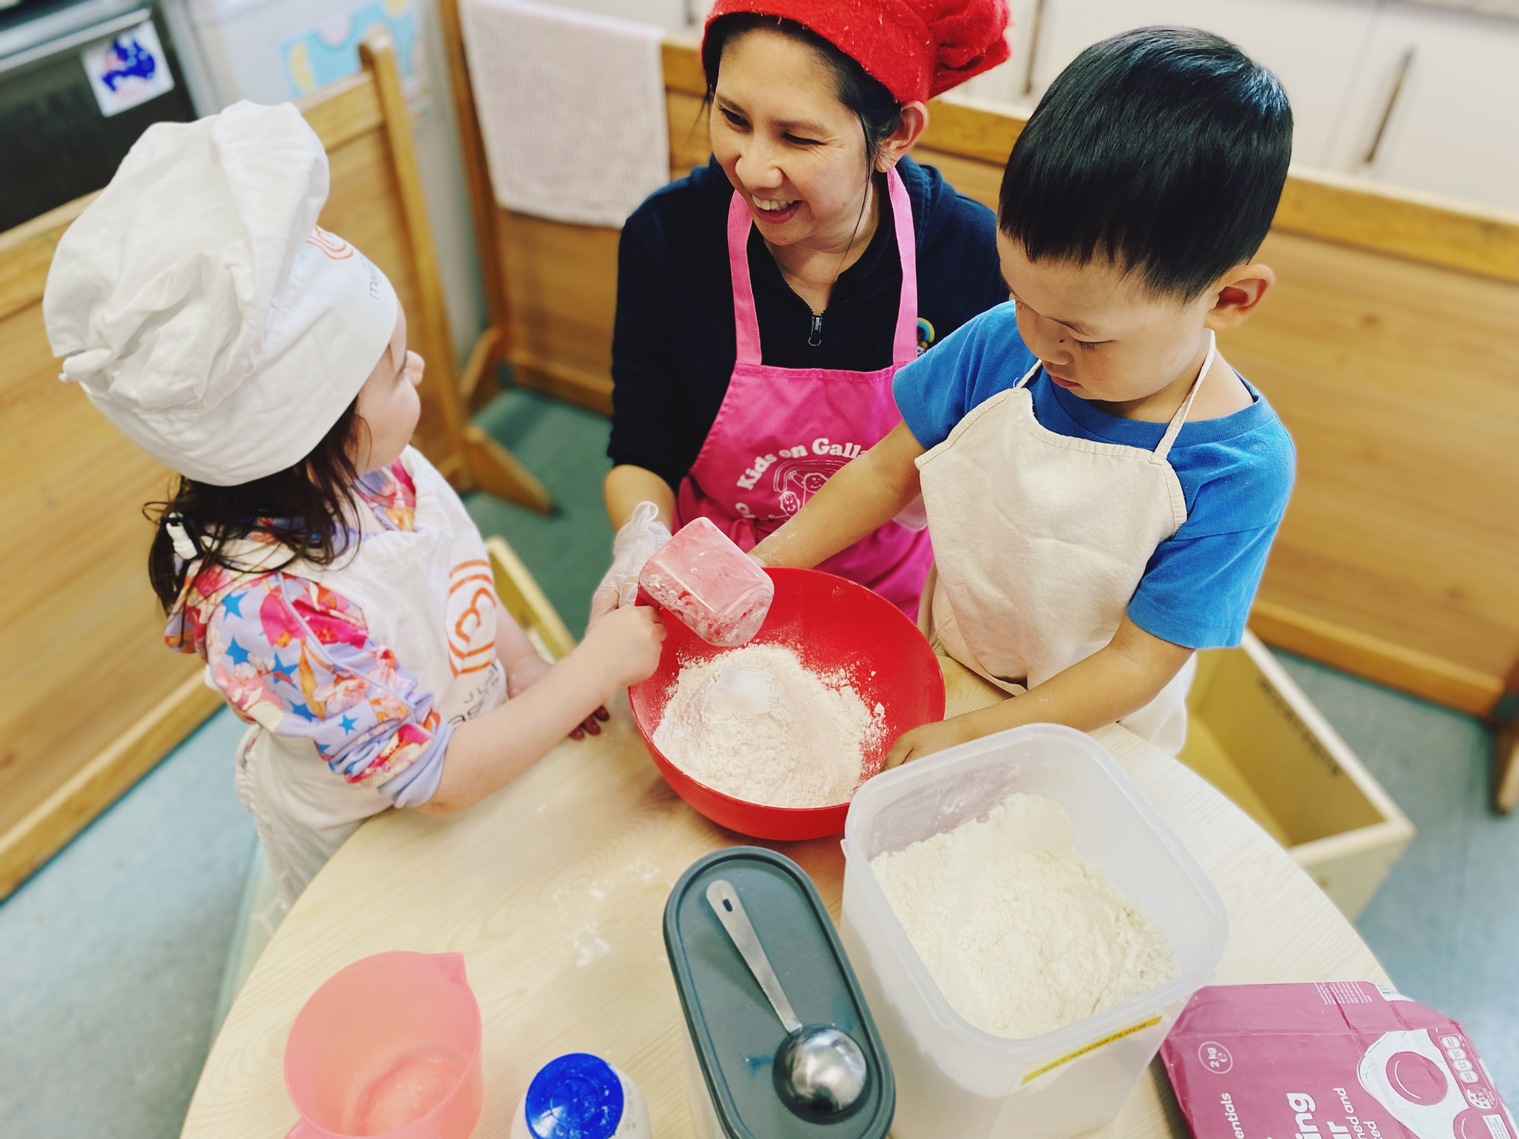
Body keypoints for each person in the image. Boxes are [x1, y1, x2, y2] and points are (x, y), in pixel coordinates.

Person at [43, 102, 664, 906]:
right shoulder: (273, 610)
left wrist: (522, 666)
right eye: (395, 367)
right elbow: (435, 776)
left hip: (464, 742)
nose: (417, 376)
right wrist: (595, 666)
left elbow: (456, 575)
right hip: (373, 837)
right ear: (315, 434)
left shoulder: (377, 467)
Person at [752, 27, 1297, 760]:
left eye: (1084, 334)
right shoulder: (1000, 341)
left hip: (1091, 728)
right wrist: (762, 566)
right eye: (1020, 297)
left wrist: (975, 735)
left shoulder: (1236, 468)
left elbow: (1136, 661)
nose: (1041, 342)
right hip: (952, 657)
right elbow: (885, 471)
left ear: (1228, 298)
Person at [602, 0, 1012, 618]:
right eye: (733, 118)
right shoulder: (668, 236)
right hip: (706, 571)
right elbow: (643, 447)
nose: (754, 169)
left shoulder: (972, 257)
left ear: (896, 134)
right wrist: (643, 543)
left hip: (891, 590)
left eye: (797, 137)